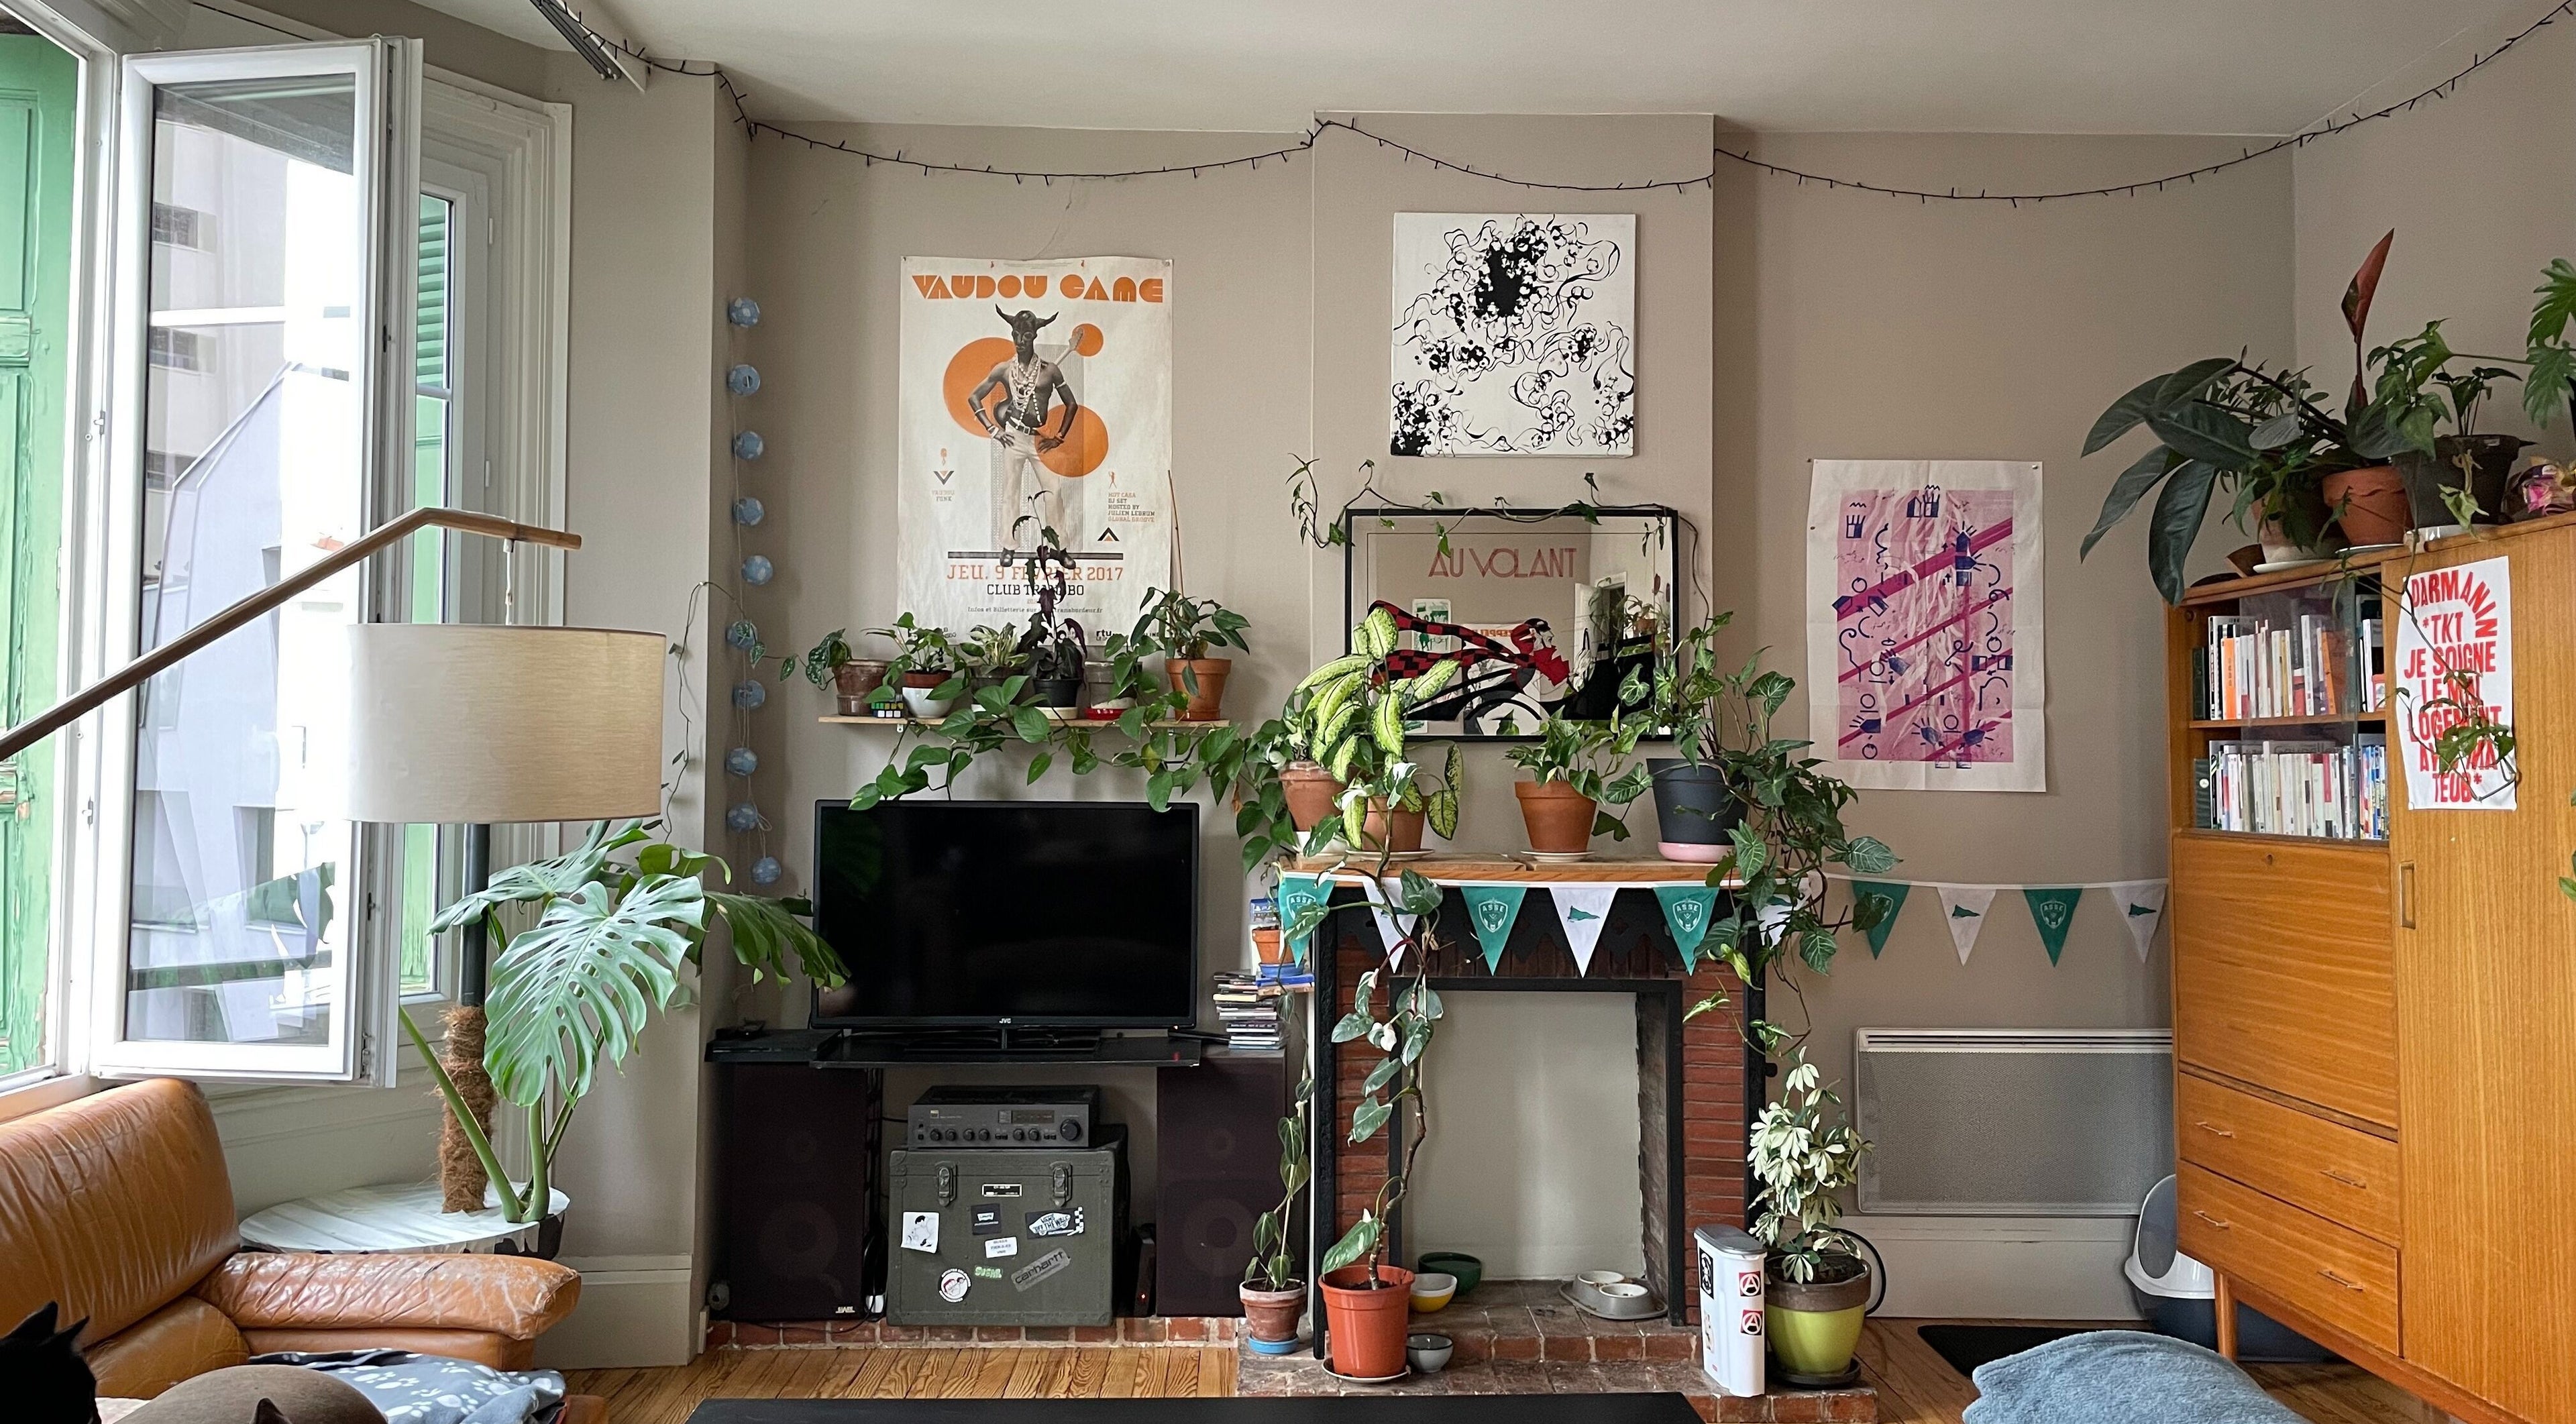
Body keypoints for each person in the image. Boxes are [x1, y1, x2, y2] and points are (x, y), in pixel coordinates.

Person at [971, 307, 1081, 547]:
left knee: (1054, 491)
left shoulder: (1050, 370)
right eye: (1016, 335)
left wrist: (1059, 437)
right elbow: (974, 397)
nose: (1020, 341)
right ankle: (1009, 545)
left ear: (1034, 336)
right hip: (1014, 436)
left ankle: (1059, 546)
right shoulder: (1004, 369)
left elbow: (1072, 404)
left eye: (1027, 335)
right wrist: (994, 430)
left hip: (1040, 438)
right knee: (1011, 492)